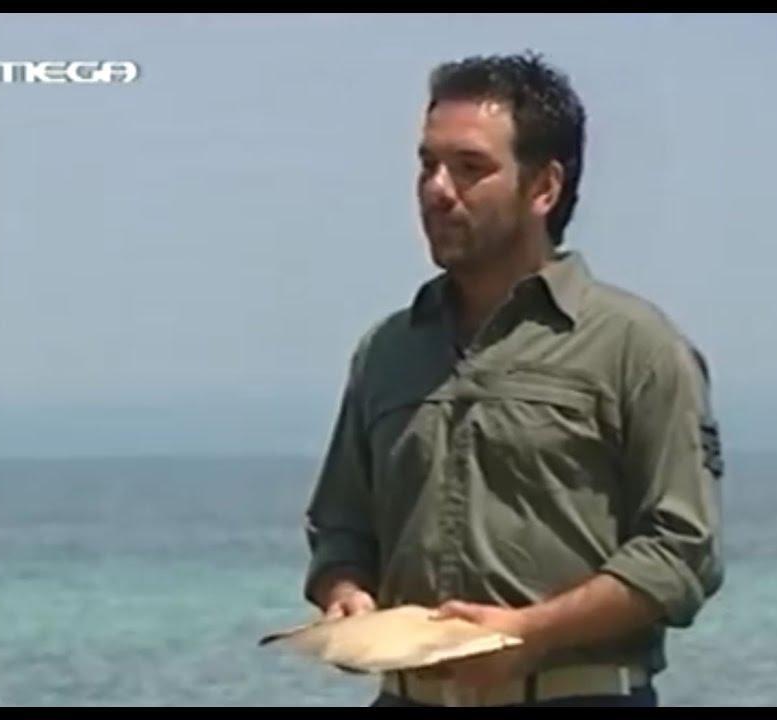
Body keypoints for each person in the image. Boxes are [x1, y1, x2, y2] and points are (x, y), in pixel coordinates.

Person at [301, 51, 725, 708]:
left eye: (470, 168)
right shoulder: (386, 352)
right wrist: (346, 593)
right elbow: (340, 527)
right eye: (428, 164)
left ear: (544, 187)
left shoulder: (636, 348)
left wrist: (531, 633)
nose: (437, 190)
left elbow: (681, 554)